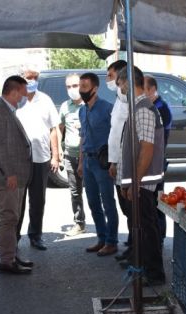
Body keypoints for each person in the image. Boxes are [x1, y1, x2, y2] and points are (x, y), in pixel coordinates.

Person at [117, 66, 166, 286]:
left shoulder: (143, 108)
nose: (119, 89)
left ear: (128, 83)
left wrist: (135, 181)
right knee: (143, 227)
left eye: (120, 84)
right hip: (138, 180)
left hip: (144, 182)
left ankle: (154, 273)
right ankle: (146, 268)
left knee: (147, 228)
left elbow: (147, 148)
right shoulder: (136, 107)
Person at [0, 76, 34, 274]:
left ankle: (11, 255)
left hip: (15, 175)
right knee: (9, 218)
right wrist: (9, 173)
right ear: (14, 92)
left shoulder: (7, 110)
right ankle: (6, 261)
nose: (25, 96)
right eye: (24, 92)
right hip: (7, 176)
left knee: (13, 217)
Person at [15, 68, 61, 251]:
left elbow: (53, 129)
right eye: (28, 78)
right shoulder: (17, 100)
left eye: (35, 78)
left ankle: (35, 235)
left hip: (41, 157)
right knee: (18, 200)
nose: (32, 81)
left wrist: (55, 155)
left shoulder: (45, 100)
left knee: (38, 200)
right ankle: (14, 237)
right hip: (19, 159)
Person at [76, 72, 118, 256]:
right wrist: (80, 162)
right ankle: (101, 238)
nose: (81, 90)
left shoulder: (108, 108)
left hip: (103, 162)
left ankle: (112, 241)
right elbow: (82, 137)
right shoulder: (81, 110)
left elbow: (116, 137)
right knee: (93, 202)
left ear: (95, 88)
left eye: (85, 87)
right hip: (87, 161)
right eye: (80, 87)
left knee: (108, 202)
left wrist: (113, 163)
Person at [105, 60, 131, 259]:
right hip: (117, 162)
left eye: (111, 76)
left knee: (132, 209)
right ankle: (133, 245)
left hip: (127, 163)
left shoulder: (129, 100)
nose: (108, 80)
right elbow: (115, 134)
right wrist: (112, 161)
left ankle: (136, 249)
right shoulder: (119, 99)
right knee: (126, 208)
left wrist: (117, 162)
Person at [143, 75, 172, 245]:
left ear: (152, 90)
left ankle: (158, 237)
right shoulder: (149, 106)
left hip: (156, 162)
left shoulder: (161, 108)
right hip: (149, 161)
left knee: (156, 202)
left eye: (143, 88)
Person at [59, 73, 87, 236]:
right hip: (70, 155)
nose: (72, 89)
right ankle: (79, 223)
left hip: (88, 156)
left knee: (93, 192)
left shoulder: (88, 105)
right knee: (75, 192)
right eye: (68, 86)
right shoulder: (65, 106)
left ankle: (101, 225)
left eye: (75, 86)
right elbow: (59, 128)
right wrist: (58, 149)